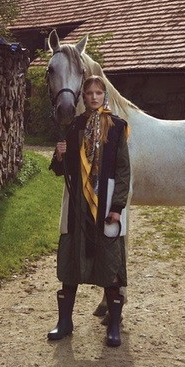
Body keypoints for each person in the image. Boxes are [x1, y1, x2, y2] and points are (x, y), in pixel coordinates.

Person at [47, 75, 131, 347]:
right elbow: (62, 171)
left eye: (98, 92)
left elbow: (123, 171)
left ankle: (114, 325)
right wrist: (60, 155)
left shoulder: (117, 127)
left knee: (109, 261)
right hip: (76, 204)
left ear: (104, 95)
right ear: (83, 97)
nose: (94, 97)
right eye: (89, 93)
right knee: (72, 257)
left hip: (105, 202)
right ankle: (65, 322)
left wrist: (117, 207)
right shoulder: (75, 126)